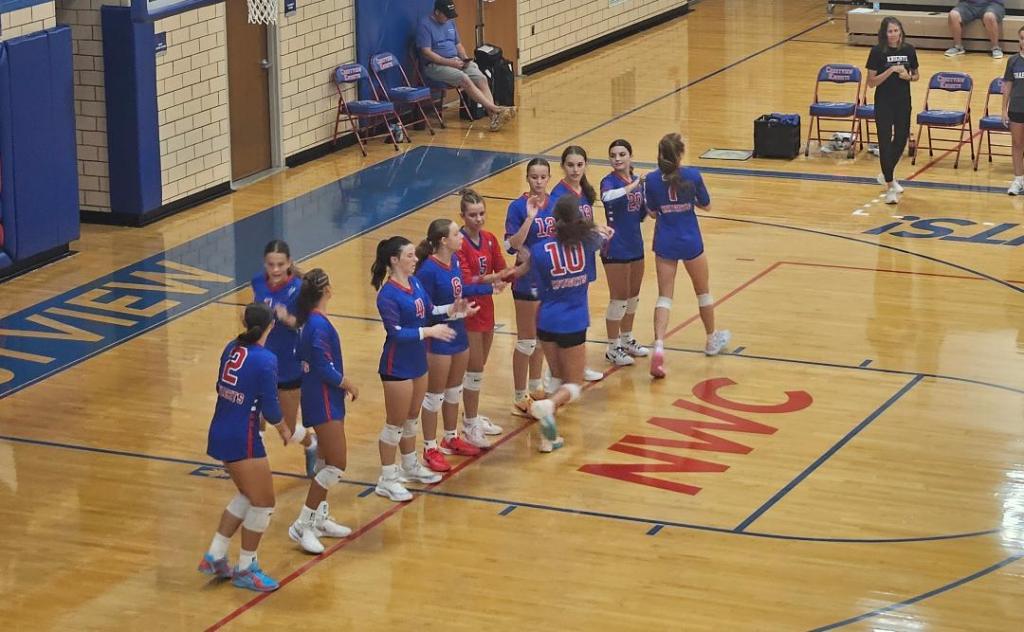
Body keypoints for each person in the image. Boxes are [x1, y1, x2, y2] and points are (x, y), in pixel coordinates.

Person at [371, 236, 476, 501]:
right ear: (394, 260)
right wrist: (430, 331)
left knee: (410, 420)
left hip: (418, 361)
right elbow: (396, 334)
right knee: (394, 424)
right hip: (397, 367)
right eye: (409, 255)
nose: (415, 258)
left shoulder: (415, 281)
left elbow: (430, 310)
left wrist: (454, 310)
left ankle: (409, 465)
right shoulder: (387, 294)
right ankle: (387, 477)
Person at [199, 302, 290, 592]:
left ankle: (215, 555)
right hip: (243, 436)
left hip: (220, 430)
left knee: (247, 494)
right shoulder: (266, 359)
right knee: (264, 502)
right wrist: (283, 428)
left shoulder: (231, 347)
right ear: (270, 326)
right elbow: (272, 406)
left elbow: (219, 386)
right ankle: (246, 567)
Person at [415, 218, 504, 471]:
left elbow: (461, 287)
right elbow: (425, 311)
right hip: (440, 337)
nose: (461, 238)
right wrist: (452, 313)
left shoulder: (453, 261)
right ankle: (430, 447)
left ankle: (451, 436)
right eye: (456, 235)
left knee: (454, 390)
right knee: (434, 396)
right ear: (444, 241)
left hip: (459, 332)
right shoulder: (427, 271)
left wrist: (490, 288)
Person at [526, 194, 613, 452]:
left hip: (546, 318)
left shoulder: (540, 251)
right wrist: (593, 226)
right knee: (574, 384)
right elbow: (607, 233)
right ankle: (548, 406)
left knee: (556, 378)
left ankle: (548, 438)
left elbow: (537, 286)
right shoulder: (588, 243)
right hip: (573, 321)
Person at [645, 133, 731, 379]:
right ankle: (711, 339)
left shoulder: (651, 180)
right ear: (680, 154)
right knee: (702, 291)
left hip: (665, 240)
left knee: (664, 296)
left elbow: (651, 212)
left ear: (661, 155)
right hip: (690, 239)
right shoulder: (692, 175)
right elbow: (706, 205)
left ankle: (659, 344)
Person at [286, 269, 360, 555]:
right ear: (326, 289)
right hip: (323, 397)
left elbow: (302, 358)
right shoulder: (317, 325)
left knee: (326, 460)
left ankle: (319, 518)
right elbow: (322, 366)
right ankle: (303, 524)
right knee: (337, 464)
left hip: (321, 394)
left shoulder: (311, 322)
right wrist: (348, 383)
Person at [457, 188, 525, 437]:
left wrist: (507, 276)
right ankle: (469, 424)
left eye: (482, 213)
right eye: (473, 215)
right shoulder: (459, 243)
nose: (479, 219)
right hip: (468, 311)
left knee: (479, 367)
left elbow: (501, 268)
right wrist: (493, 278)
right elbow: (465, 280)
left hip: (487, 309)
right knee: (473, 369)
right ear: (463, 216)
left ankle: (471, 416)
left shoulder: (488, 238)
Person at [251, 240, 319, 477]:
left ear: (289, 263)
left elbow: (304, 324)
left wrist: (286, 317)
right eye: (271, 264)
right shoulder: (258, 282)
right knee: (253, 415)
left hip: (289, 364)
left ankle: (312, 444)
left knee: (288, 428)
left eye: (280, 264)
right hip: (261, 360)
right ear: (265, 264)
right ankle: (254, 464)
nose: (276, 270)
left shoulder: (299, 289)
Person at [549, 145, 606, 383]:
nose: (575, 169)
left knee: (580, 311)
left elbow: (584, 223)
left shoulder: (584, 190)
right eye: (570, 165)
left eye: (579, 165)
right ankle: (559, 368)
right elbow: (560, 230)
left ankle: (576, 364)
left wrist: (596, 231)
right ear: (563, 166)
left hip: (584, 257)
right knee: (570, 312)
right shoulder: (559, 194)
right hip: (567, 261)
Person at [416, 0, 515, 132]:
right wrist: (449, 62)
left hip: (456, 61)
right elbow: (426, 53)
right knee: (464, 79)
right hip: (435, 66)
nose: (448, 18)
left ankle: (494, 118)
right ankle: (496, 109)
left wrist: (464, 58)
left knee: (482, 78)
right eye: (445, 15)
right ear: (437, 12)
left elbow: (458, 44)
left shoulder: (450, 21)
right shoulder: (424, 26)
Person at [504, 158, 553, 417]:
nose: (538, 181)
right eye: (534, 176)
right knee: (526, 342)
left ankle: (536, 386)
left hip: (549, 279)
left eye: (543, 176)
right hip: (526, 281)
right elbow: (512, 245)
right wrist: (529, 219)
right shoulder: (517, 207)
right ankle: (518, 395)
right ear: (527, 178)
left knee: (542, 338)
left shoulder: (554, 203)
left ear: (549, 178)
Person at [599, 139, 648, 367]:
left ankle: (627, 339)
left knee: (632, 297)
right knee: (618, 298)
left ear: (630, 156)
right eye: (613, 155)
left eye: (621, 154)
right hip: (614, 247)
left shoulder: (639, 183)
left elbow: (642, 213)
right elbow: (608, 197)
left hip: (635, 244)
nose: (617, 159)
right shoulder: (608, 182)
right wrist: (633, 185)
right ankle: (612, 347)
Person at [866, 17, 919, 205]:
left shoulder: (909, 49)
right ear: (884, 33)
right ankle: (890, 186)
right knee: (885, 141)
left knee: (901, 138)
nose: (894, 35)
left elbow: (916, 75)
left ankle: (886, 174)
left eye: (896, 31)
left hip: (903, 101)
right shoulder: (877, 52)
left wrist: (908, 76)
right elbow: (871, 83)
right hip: (884, 102)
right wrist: (890, 71)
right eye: (890, 31)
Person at [1002, 26, 1024, 195]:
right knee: (1017, 145)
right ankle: (1018, 179)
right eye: (1022, 38)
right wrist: (1004, 109)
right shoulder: (1013, 61)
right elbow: (1008, 86)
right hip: (1016, 109)